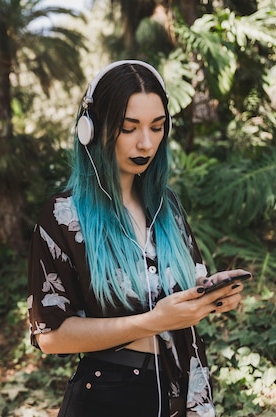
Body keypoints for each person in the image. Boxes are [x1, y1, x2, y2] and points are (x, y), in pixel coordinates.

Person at [26, 60, 250, 417]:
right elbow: (49, 336)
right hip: (108, 397)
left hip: (183, 388)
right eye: (129, 128)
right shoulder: (63, 215)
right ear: (91, 129)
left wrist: (210, 298)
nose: (146, 143)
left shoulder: (168, 206)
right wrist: (154, 321)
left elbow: (187, 283)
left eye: (157, 127)